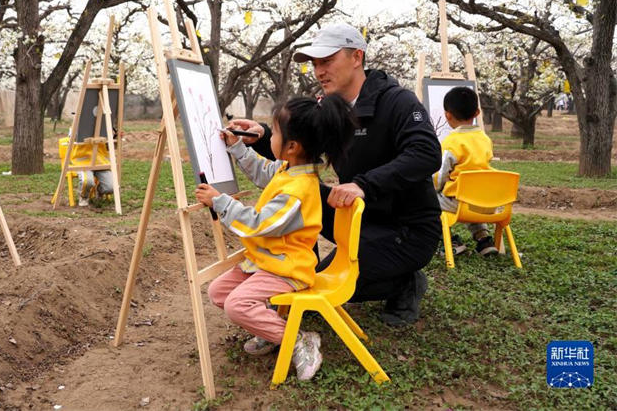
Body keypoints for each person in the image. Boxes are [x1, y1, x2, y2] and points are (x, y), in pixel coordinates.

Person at [232, 24, 442, 326]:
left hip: (407, 230)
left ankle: (405, 282)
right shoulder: (330, 109)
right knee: (305, 197)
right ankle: (294, 270)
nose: (319, 71)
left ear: (357, 57)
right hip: (358, 216)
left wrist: (363, 185)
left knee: (326, 284)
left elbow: (426, 153)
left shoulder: (397, 101)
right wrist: (262, 136)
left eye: (327, 60)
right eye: (315, 63)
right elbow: (300, 146)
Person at [195, 94, 356, 381]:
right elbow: (264, 171)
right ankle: (267, 328)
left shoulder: (298, 190)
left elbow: (257, 224)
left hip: (287, 267)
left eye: (275, 132)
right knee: (218, 292)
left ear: (292, 147)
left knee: (237, 304)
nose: (269, 137)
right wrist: (238, 150)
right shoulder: (289, 170)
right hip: (267, 261)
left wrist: (220, 201)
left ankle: (298, 339)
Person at [434, 86, 497, 256]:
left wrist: (432, 188)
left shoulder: (451, 142)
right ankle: (484, 240)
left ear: (447, 115)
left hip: (458, 203)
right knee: (471, 194)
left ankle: (450, 241)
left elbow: (440, 176)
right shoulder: (485, 139)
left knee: (427, 202)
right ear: (477, 112)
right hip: (486, 202)